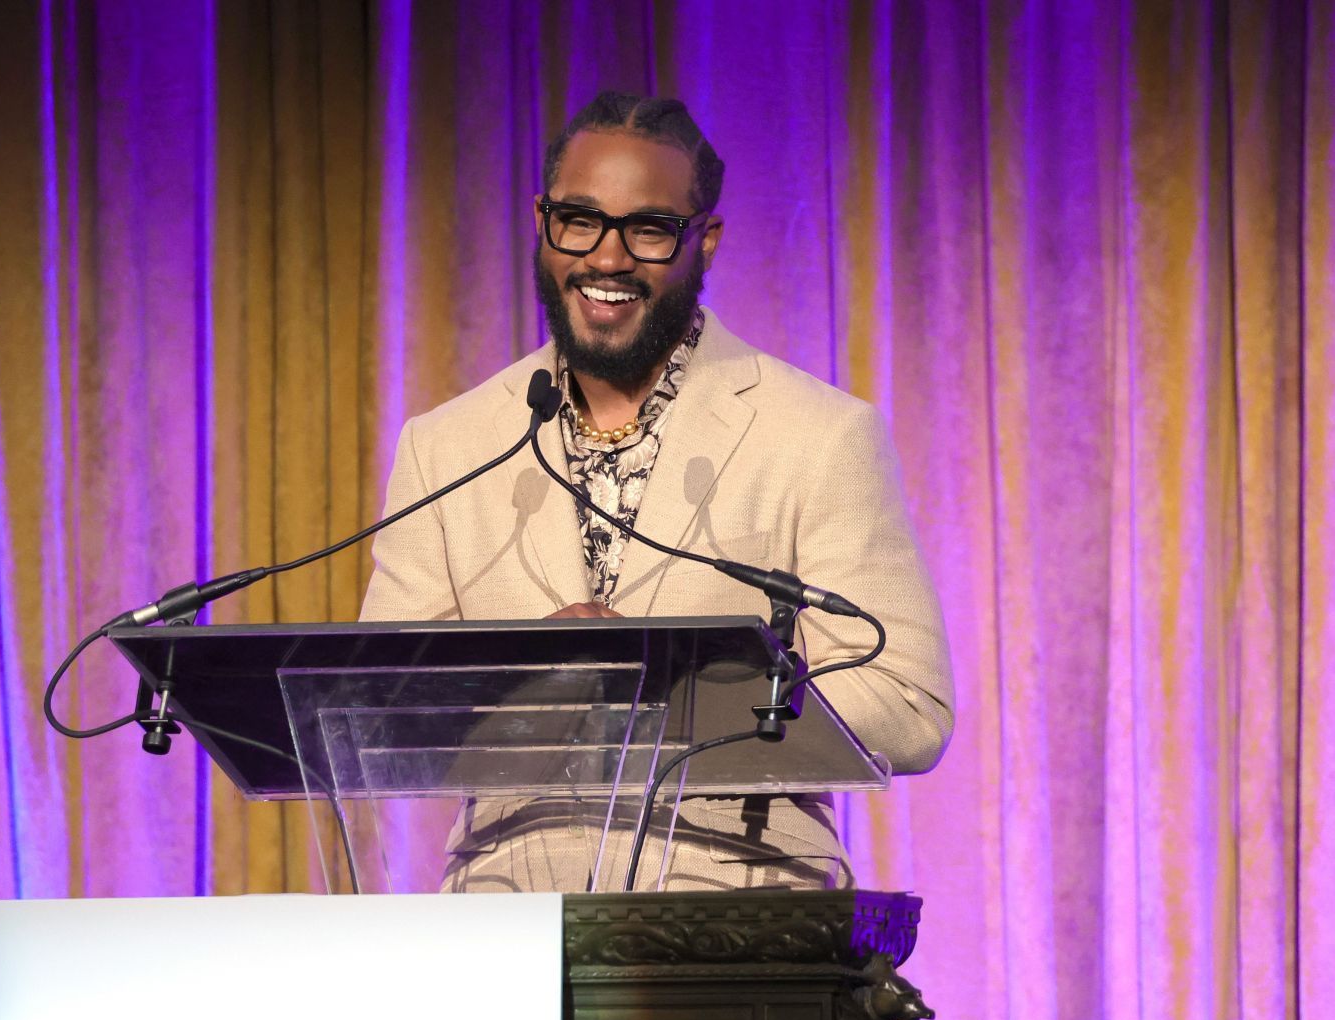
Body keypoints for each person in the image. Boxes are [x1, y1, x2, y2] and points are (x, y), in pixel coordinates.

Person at [359, 92, 953, 892]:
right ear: (543, 221)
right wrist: (529, 670)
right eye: (580, 219)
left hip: (743, 912)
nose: (607, 258)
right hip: (507, 915)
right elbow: (378, 708)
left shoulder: (818, 434)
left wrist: (678, 685)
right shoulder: (447, 446)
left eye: (647, 229)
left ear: (702, 239)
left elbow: (908, 704)